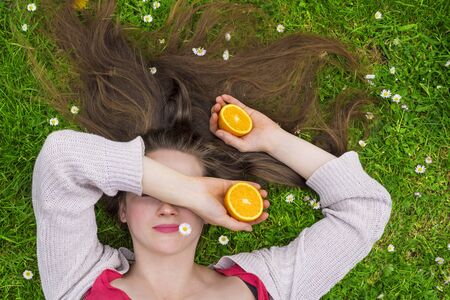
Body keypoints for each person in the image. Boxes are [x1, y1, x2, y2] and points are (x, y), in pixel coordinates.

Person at [29, 1, 392, 299]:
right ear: (122, 209)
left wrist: (271, 138)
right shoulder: (78, 282)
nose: (168, 207)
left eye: (183, 191)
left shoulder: (269, 285)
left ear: (210, 212)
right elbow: (62, 160)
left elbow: (362, 207)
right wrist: (192, 193)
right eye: (153, 190)